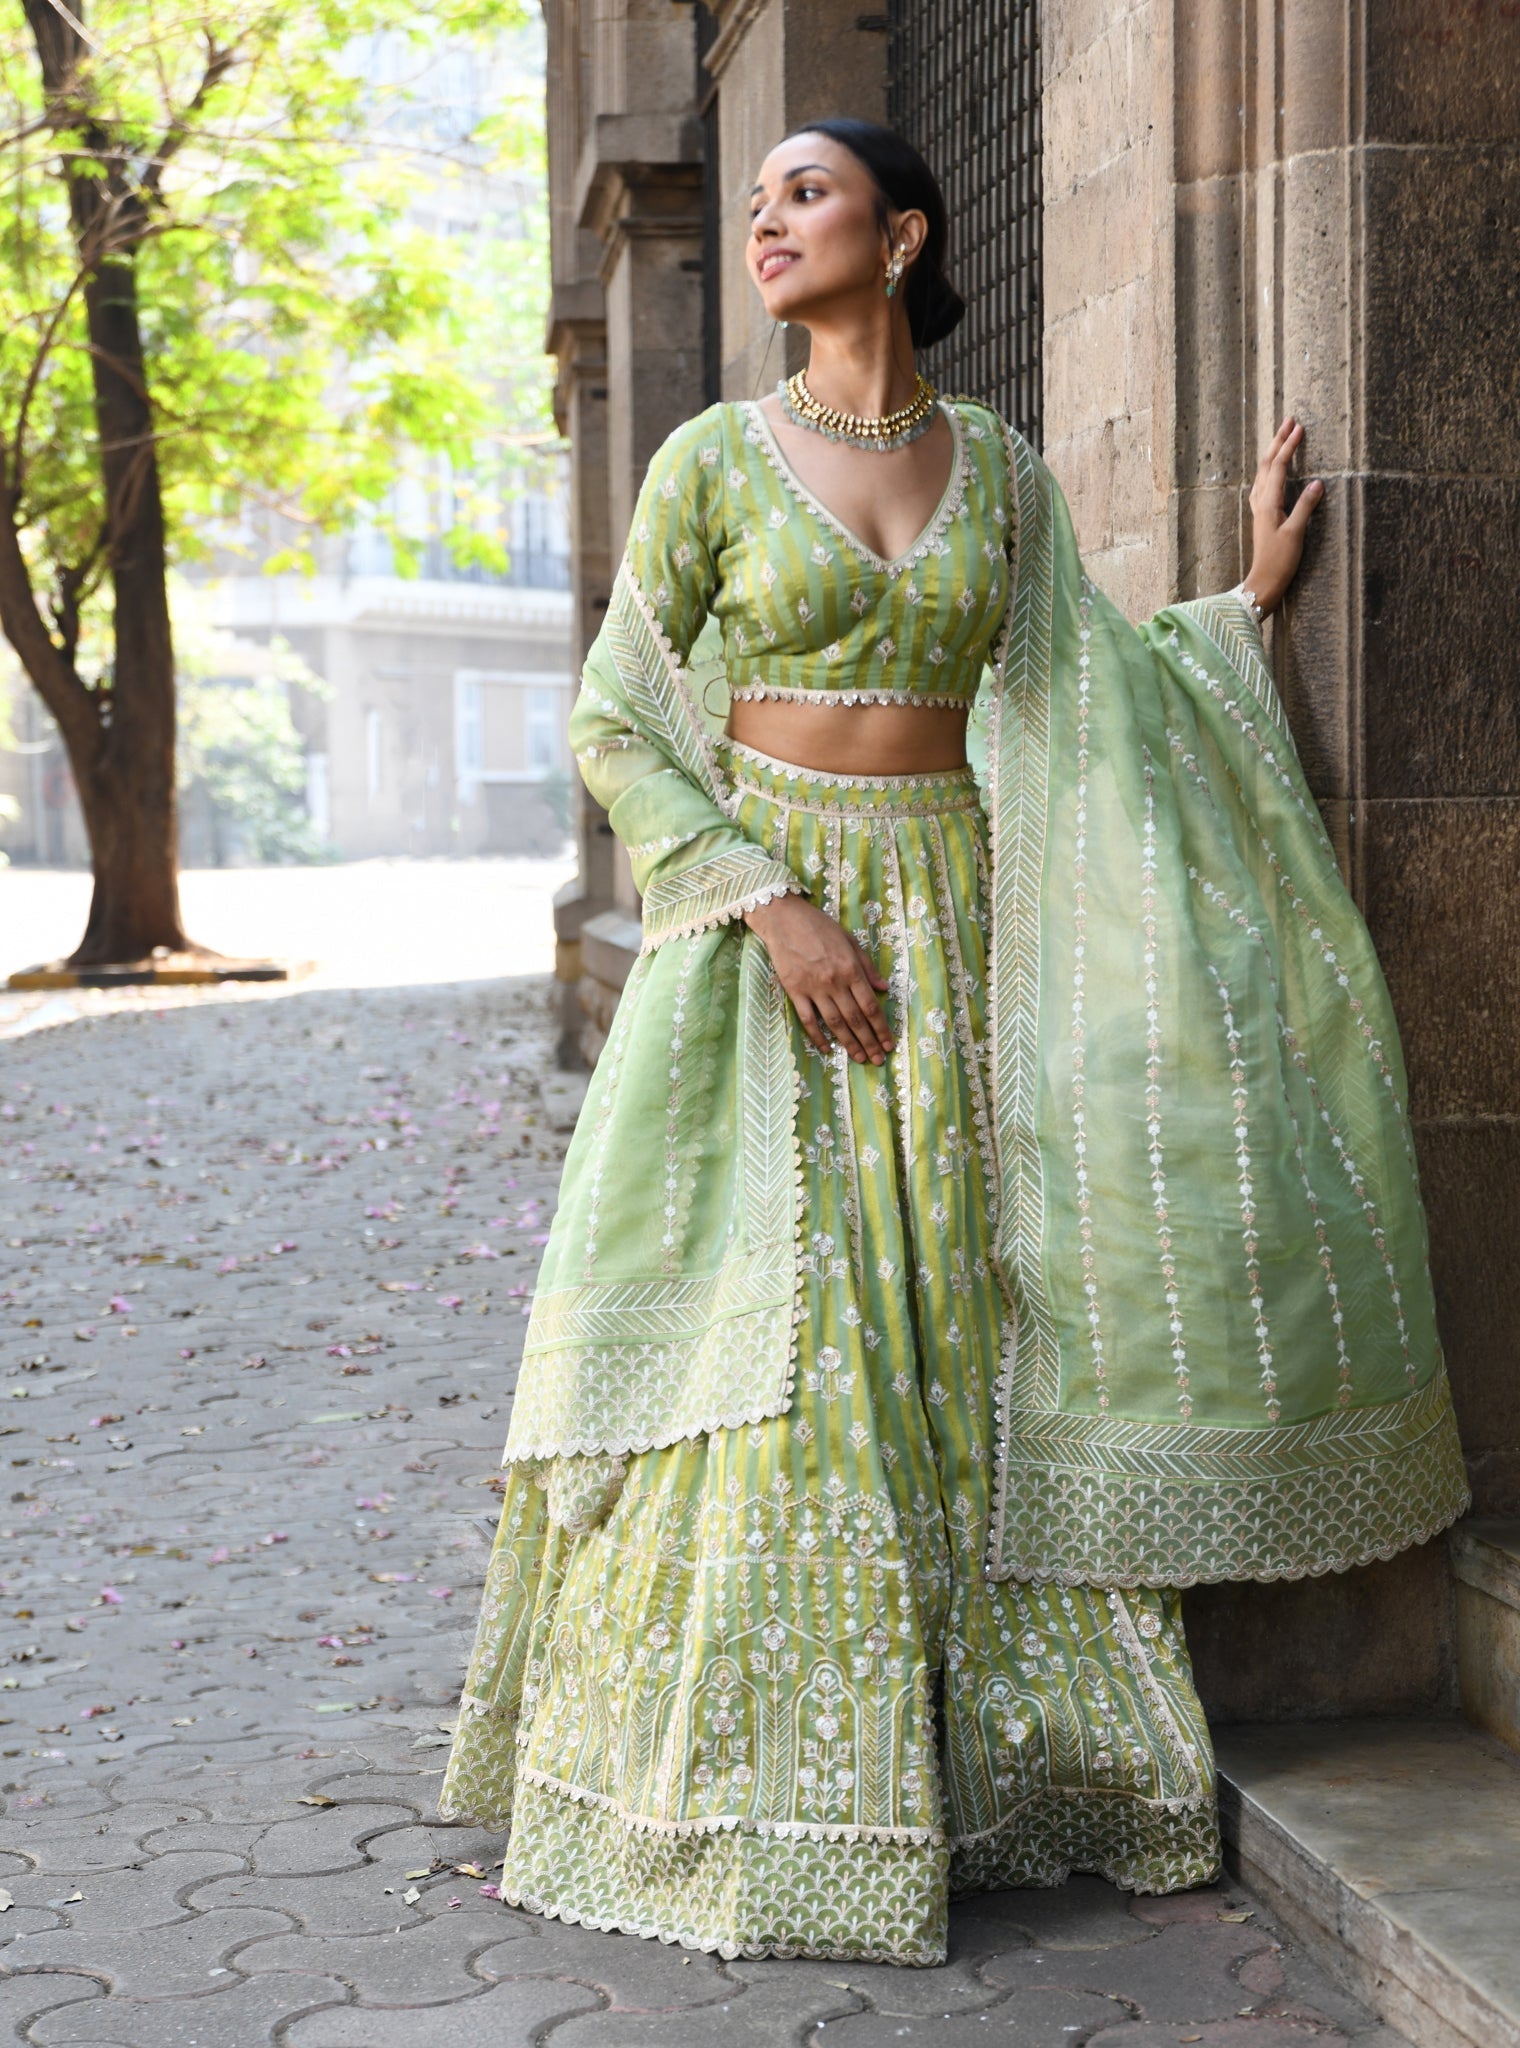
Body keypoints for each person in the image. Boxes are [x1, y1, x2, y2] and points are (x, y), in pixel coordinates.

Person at [441, 116, 1467, 1966]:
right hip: (769, 942)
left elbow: (1088, 684)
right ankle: (757, 1802)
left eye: (805, 193)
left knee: (962, 1330)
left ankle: (996, 1771)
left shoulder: (993, 468)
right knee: (795, 1336)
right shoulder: (704, 463)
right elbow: (615, 719)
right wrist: (768, 898)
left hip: (959, 933)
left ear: (903, 235)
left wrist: (1240, 610)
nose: (766, 219)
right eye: (751, 200)